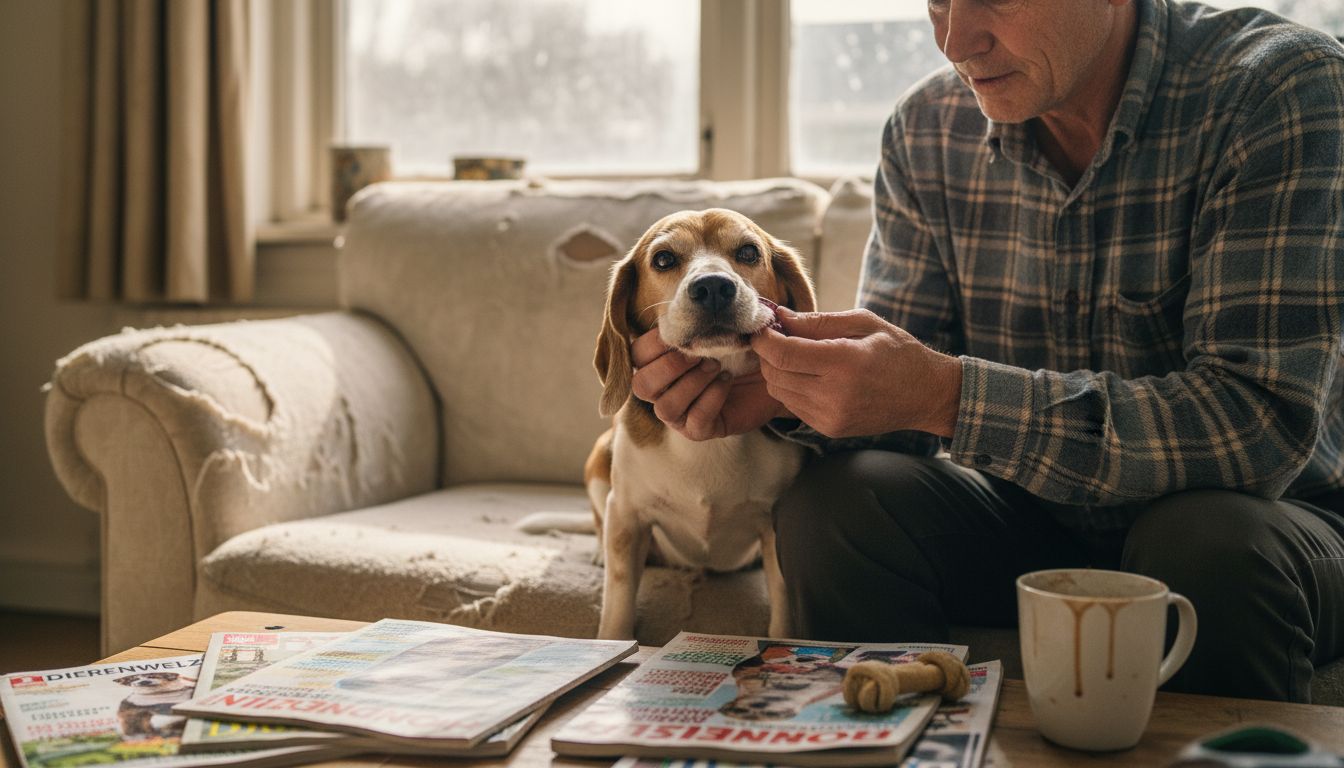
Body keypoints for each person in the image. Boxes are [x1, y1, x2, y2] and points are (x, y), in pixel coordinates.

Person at [629, 0, 1344, 703]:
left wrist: (949, 395)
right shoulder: (926, 129)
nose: (956, 40)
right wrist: (781, 395)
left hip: (1272, 520)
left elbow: (1256, 426)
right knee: (835, 504)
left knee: (1207, 543)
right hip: (1028, 515)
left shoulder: (1277, 88)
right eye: (937, 1)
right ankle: (890, 747)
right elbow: (898, 400)